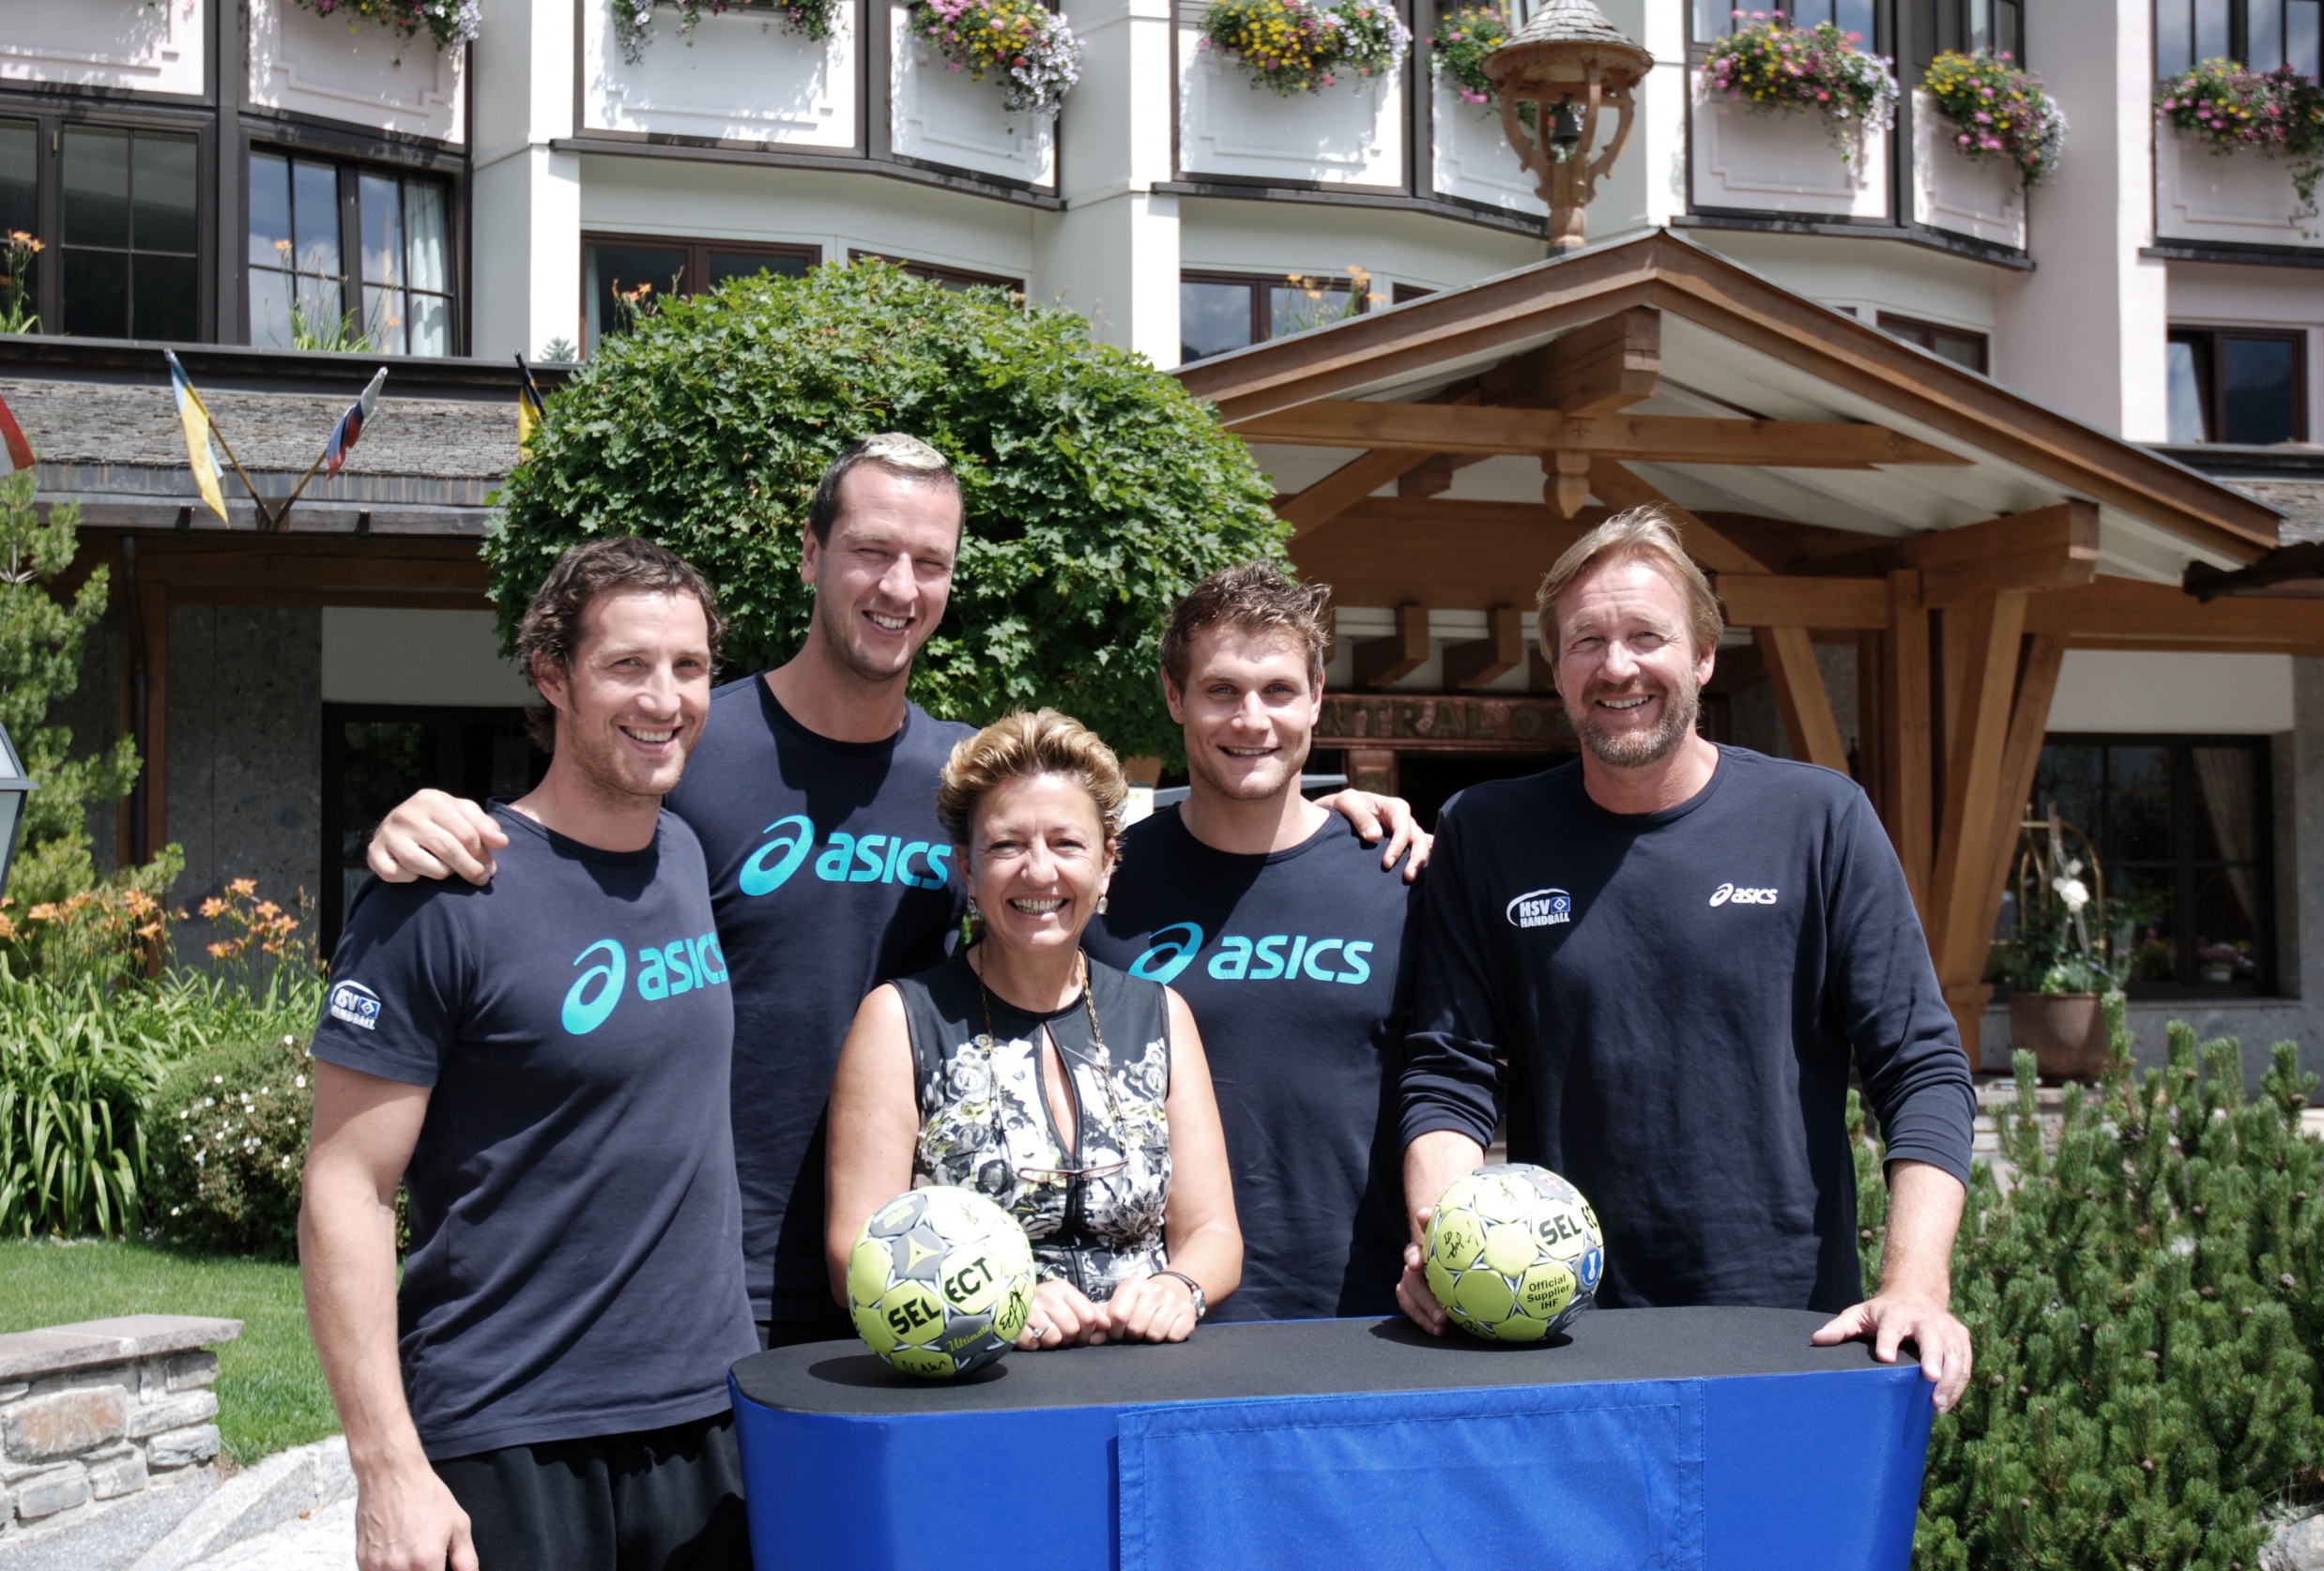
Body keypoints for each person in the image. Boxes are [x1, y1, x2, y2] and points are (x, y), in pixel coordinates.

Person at [363, 434, 1427, 1346]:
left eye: (930, 561)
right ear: (812, 554)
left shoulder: (961, 780)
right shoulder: (692, 746)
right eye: (872, 551)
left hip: (925, 1273)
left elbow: (1079, 855)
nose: (899, 587)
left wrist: (1323, 818)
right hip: (714, 1272)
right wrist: (428, 819)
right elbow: (568, 834)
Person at [1393, 506, 1980, 1412]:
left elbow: (1922, 1068)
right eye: (1587, 641)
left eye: (1646, 636)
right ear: (1557, 669)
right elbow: (1448, 1070)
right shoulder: (1488, 831)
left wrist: (1915, 1286)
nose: (1617, 666)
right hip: (1563, 1331)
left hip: (1792, 1328)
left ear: (1703, 655)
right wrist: (1447, 1241)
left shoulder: (1819, 820)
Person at [300, 537, 754, 1571]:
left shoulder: (686, 855)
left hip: (703, 1415)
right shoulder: (444, 894)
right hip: (509, 1430)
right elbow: (346, 1187)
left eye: (689, 667)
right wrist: (386, 1467)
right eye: (627, 665)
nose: (665, 698)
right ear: (553, 675)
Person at [827, 709, 1244, 1347]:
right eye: (1006, 845)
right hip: (979, 1382)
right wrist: (998, 1298)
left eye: (1067, 843)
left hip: (1147, 1376)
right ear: (969, 869)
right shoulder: (900, 1021)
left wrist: (1178, 1287)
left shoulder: (1162, 1016)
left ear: (1107, 864)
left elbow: (1213, 1233)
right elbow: (852, 1253)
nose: (1040, 871)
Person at [1086, 562, 1414, 1321]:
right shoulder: (1106, 885)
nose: (1251, 719)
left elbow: (1449, 1081)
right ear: (1175, 696)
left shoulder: (1396, 874)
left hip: (1370, 1324)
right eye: (1222, 690)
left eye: (1278, 691)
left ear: (1317, 698)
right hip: (1155, 1320)